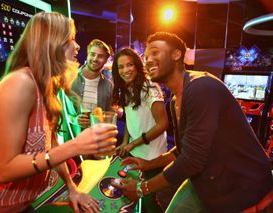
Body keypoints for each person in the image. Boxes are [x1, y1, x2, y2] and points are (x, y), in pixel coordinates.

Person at [0, 12, 117, 213]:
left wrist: (71, 188)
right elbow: (5, 170)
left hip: (21, 203)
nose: (77, 46)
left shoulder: (47, 85)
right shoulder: (19, 83)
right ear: (50, 43)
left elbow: (52, 142)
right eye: (70, 39)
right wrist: (75, 146)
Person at [112, 32, 273, 212]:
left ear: (176, 54)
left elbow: (191, 160)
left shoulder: (200, 87)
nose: (148, 60)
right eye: (146, 56)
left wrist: (143, 188)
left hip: (241, 184)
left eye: (155, 53)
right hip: (206, 179)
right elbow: (183, 150)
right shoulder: (175, 100)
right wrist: (148, 164)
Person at [112, 48, 168, 212]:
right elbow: (130, 119)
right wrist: (125, 143)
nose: (125, 70)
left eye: (129, 65)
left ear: (137, 66)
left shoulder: (150, 88)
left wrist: (133, 144)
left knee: (147, 202)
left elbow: (163, 124)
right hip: (134, 153)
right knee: (134, 198)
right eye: (121, 67)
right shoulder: (127, 88)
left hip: (152, 157)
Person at [59, 39, 114, 143]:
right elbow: (59, 111)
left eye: (100, 56)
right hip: (72, 140)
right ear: (87, 55)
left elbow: (107, 113)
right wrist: (74, 119)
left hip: (95, 141)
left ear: (106, 60)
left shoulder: (108, 85)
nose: (95, 59)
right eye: (92, 54)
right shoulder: (69, 78)